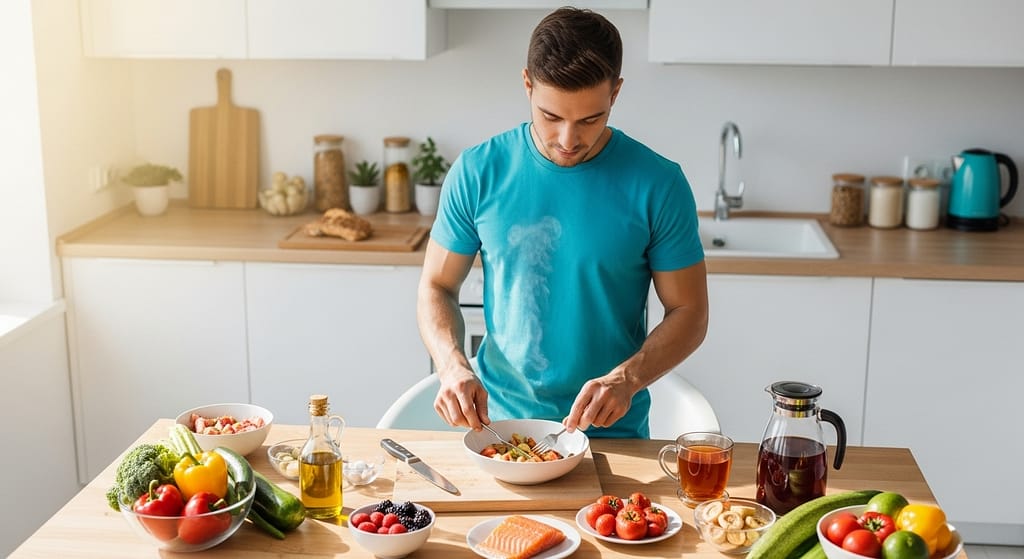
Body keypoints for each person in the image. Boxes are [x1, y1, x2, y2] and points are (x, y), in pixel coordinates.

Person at [416, 7, 708, 439]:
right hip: (499, 429)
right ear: (527, 85)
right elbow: (436, 286)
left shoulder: (659, 184)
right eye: (551, 117)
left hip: (614, 436)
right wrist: (452, 364)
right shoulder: (478, 171)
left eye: (590, 119)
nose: (569, 140)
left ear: (616, 93)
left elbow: (690, 311)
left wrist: (627, 378)